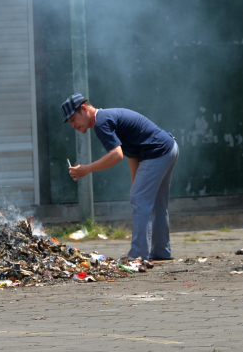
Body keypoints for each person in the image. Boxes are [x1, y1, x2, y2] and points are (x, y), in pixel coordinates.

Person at [61, 93, 179, 260]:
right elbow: (132, 152)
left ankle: (138, 254)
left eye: (73, 119)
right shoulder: (105, 118)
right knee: (155, 203)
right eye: (70, 122)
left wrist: (86, 169)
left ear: (84, 109)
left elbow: (116, 155)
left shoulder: (101, 122)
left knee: (141, 199)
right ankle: (160, 251)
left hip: (157, 152)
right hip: (169, 148)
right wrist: (135, 184)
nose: (73, 124)